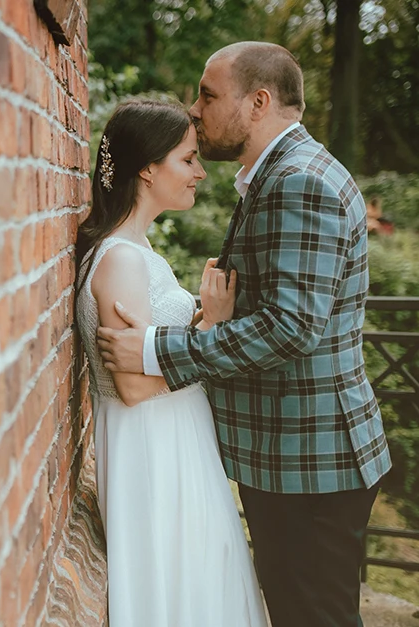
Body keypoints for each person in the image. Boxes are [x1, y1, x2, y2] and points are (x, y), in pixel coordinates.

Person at [96, 42, 391, 627]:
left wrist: (158, 348)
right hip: (294, 456)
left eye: (208, 95)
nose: (195, 109)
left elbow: (291, 327)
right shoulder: (276, 175)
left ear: (258, 103)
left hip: (311, 459)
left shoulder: (299, 181)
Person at [75, 98, 268, 627]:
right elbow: (134, 388)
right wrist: (207, 330)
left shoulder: (140, 248)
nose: (200, 172)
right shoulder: (120, 259)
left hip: (177, 441)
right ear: (147, 167)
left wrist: (203, 323)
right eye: (187, 159)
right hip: (153, 454)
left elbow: (152, 356)